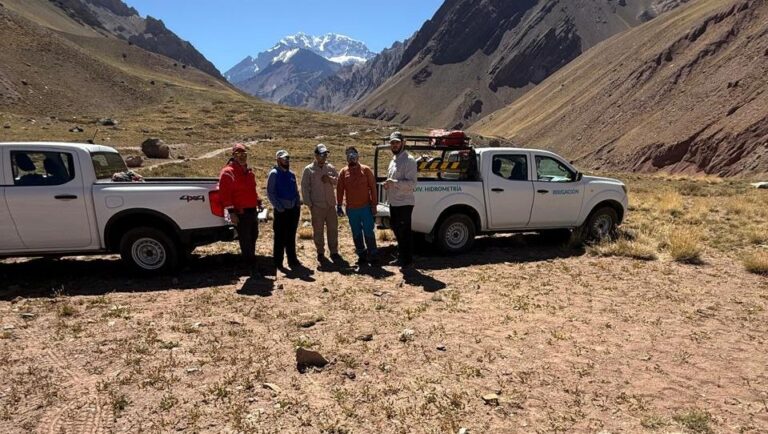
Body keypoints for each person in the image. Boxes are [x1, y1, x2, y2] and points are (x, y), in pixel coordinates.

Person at [218, 143, 262, 277]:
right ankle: (250, 265)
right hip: (240, 212)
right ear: (233, 156)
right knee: (245, 239)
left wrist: (258, 201)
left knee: (253, 235)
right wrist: (231, 213)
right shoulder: (228, 172)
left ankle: (251, 261)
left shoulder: (249, 172)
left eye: (244, 154)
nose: (242, 157)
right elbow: (225, 194)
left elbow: (252, 190)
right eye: (239, 154)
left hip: (252, 210)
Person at [301, 144, 343, 265]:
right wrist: (310, 205)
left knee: (333, 229)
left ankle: (334, 251)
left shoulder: (330, 167)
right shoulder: (308, 170)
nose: (324, 157)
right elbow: (305, 188)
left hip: (330, 205)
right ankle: (320, 252)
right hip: (317, 206)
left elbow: (338, 181)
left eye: (325, 154)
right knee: (318, 230)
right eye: (321, 154)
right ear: (316, 156)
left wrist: (329, 178)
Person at [336, 146, 378, 266]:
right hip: (351, 209)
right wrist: (339, 205)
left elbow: (373, 188)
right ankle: (362, 255)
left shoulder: (366, 170)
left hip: (365, 207)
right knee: (356, 232)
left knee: (368, 231)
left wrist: (374, 204)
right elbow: (339, 190)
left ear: (358, 156)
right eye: (349, 155)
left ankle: (373, 254)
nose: (351, 157)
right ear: (346, 158)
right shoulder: (343, 172)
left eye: (353, 155)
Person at [383, 132, 417, 268]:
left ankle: (407, 260)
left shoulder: (409, 160)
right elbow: (392, 180)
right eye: (392, 143)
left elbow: (412, 184)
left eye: (397, 142)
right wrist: (388, 184)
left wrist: (394, 183)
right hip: (394, 202)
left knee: (405, 232)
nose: (394, 145)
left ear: (403, 143)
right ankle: (402, 257)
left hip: (404, 202)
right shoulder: (393, 160)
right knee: (397, 230)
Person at [267, 150, 302, 271]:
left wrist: (298, 202)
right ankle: (278, 262)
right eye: (283, 158)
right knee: (280, 237)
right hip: (281, 211)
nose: (286, 160)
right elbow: (270, 193)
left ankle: (292, 260)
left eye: (287, 158)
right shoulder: (274, 173)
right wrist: (279, 207)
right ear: (278, 160)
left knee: (291, 236)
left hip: (293, 209)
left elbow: (295, 190)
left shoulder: (291, 174)